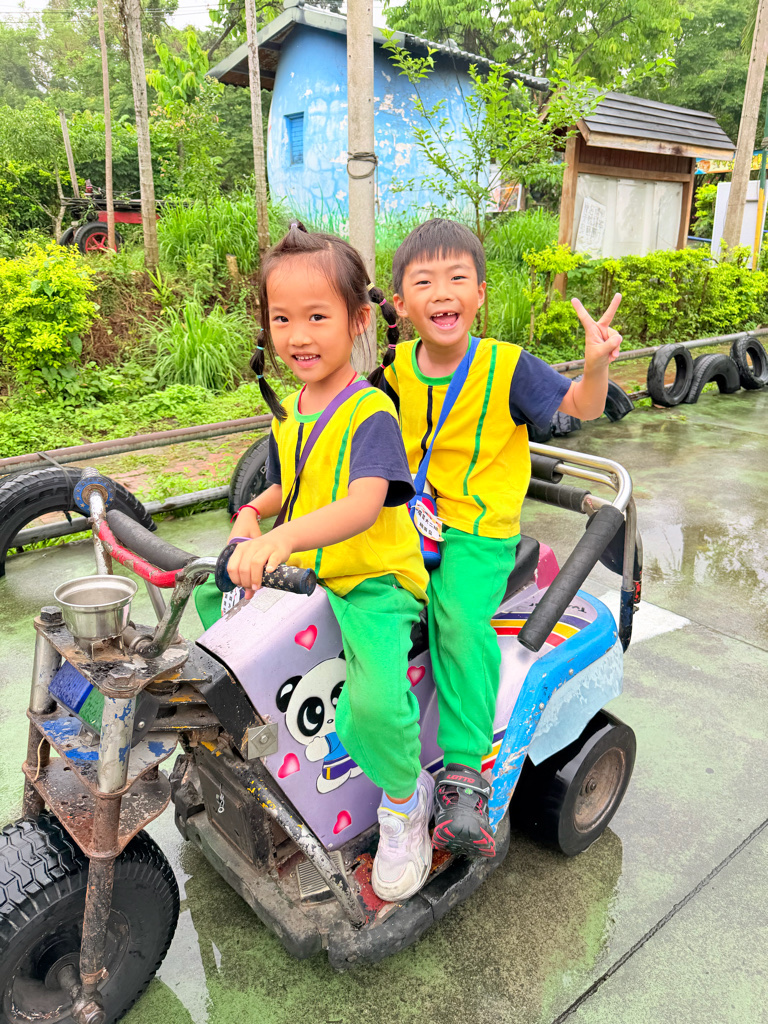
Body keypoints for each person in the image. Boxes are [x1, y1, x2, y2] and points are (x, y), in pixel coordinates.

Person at [372, 217, 622, 859]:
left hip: (477, 530)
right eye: (424, 282)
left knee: (457, 618)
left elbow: (580, 407)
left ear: (479, 294)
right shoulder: (394, 369)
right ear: (401, 303)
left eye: (457, 278)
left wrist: (595, 367)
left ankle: (464, 776)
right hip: (411, 515)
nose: (442, 292)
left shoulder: (507, 367)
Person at [224, 223, 434, 902]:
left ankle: (404, 801)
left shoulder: (370, 411)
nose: (298, 336)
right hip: (309, 573)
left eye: (317, 316)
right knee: (216, 619)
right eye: (282, 319)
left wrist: (283, 539)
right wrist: (253, 513)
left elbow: (363, 503)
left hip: (370, 578)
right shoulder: (292, 410)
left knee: (372, 704)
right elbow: (290, 482)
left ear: (359, 320)